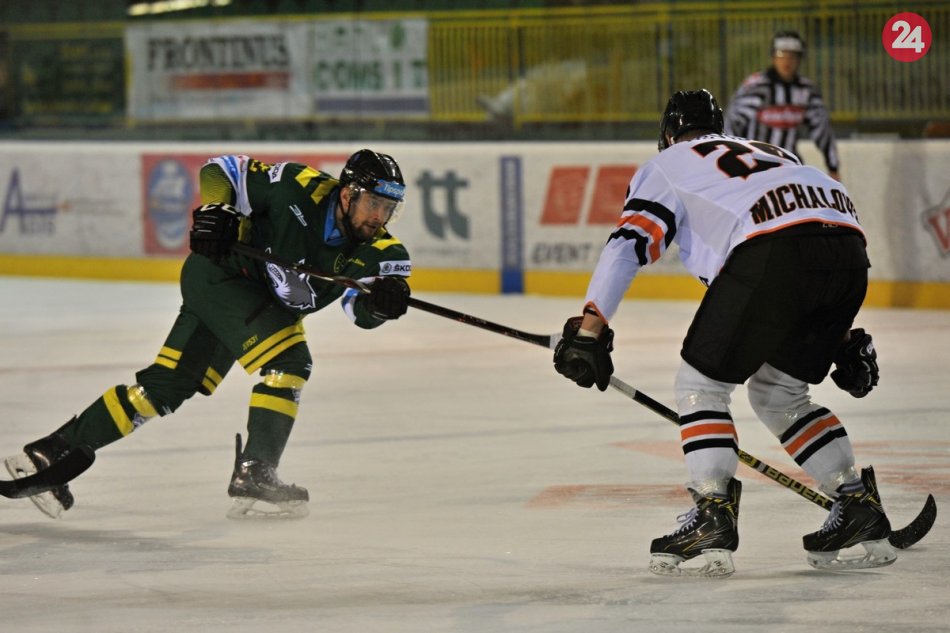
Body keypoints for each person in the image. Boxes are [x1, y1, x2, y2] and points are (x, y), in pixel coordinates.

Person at [553, 89, 894, 577]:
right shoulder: (775, 152)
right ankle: (855, 502)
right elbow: (810, 238)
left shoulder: (670, 163)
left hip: (772, 251)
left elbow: (628, 243)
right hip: (849, 253)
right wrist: (841, 336)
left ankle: (712, 513)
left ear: (668, 134)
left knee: (702, 386)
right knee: (780, 393)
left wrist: (590, 329)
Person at [4, 149, 413, 520]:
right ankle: (256, 470)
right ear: (348, 194)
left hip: (251, 303)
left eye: (388, 208)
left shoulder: (384, 253)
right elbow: (223, 168)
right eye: (374, 203)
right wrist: (217, 208)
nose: (379, 216)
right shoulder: (297, 186)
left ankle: (49, 452)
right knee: (290, 362)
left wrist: (381, 306)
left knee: (162, 390)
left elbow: (360, 313)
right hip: (222, 276)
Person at [724, 30, 840, 180]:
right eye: (781, 54)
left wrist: (833, 167)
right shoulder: (756, 87)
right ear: (773, 56)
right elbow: (732, 124)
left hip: (790, 168)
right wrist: (732, 163)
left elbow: (822, 130)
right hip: (755, 168)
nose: (787, 60)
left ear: (800, 59)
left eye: (793, 56)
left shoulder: (806, 91)